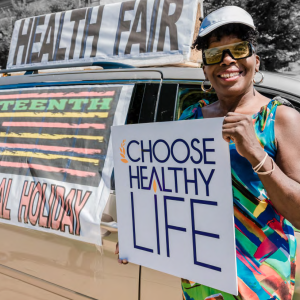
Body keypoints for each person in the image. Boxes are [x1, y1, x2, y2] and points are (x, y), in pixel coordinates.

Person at [180, 5, 300, 300]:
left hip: (261, 283)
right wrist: (142, 235)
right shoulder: (190, 119)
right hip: (201, 276)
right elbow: (177, 197)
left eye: (238, 49)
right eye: (214, 53)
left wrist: (257, 154)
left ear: (256, 61)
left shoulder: (280, 118)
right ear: (205, 68)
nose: (227, 60)